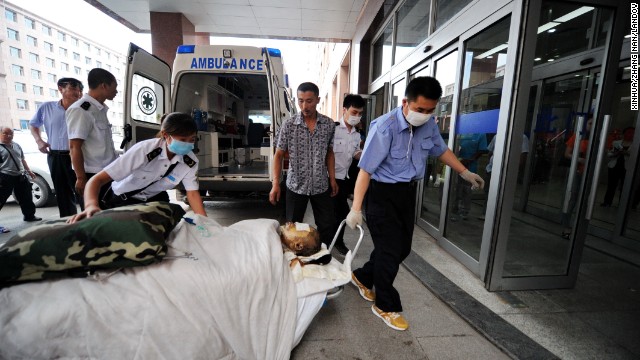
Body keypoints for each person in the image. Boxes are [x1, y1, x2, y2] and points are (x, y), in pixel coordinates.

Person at [345, 77, 484, 331]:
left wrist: (464, 172)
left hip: (407, 194)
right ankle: (386, 305)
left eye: (431, 111)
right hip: (382, 195)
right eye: (420, 110)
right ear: (406, 102)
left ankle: (363, 276)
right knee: (388, 251)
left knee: (402, 249)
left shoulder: (429, 125)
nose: (425, 115)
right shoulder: (384, 128)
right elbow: (365, 171)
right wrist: (356, 209)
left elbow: (441, 150)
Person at [68, 112, 206, 223]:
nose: (188, 144)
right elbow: (97, 180)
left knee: (174, 222)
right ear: (166, 135)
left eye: (192, 140)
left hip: (153, 199)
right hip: (123, 200)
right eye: (182, 140)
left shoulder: (190, 161)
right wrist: (91, 205)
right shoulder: (145, 150)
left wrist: (205, 222)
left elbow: (192, 193)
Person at [269, 82, 338, 248]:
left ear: (317, 100)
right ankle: (294, 262)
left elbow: (329, 153)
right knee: (292, 229)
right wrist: (275, 184)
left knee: (327, 226)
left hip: (320, 185)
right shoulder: (289, 125)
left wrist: (333, 179)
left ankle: (323, 257)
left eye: (309, 101)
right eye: (301, 101)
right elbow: (278, 155)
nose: (304, 106)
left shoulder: (328, 125)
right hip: (295, 185)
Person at [29, 77, 84, 217]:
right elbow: (33, 124)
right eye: (73, 88)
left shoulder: (83, 109)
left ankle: (89, 222)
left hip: (77, 155)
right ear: (60, 89)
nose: (77, 93)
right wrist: (39, 141)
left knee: (82, 190)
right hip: (55, 156)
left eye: (79, 90)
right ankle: (68, 224)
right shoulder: (47, 107)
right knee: (62, 193)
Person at [67, 68, 119, 209]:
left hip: (106, 172)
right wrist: (81, 178)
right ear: (104, 85)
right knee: (94, 215)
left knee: (108, 214)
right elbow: (74, 146)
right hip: (91, 175)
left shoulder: (99, 109)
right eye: (115, 86)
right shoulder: (81, 110)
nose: (116, 91)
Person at [331, 94, 366, 256]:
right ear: (344, 109)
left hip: (344, 179)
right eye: (354, 112)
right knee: (337, 212)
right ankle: (334, 242)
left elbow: (355, 153)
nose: (357, 116)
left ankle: (334, 241)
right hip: (330, 178)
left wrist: (367, 157)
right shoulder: (334, 128)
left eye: (360, 113)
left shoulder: (356, 133)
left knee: (338, 213)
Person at [0, 127, 43, 229]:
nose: (9, 136)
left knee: (26, 197)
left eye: (11, 133)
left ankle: (29, 216)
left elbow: (22, 160)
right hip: (5, 176)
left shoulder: (16, 145)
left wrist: (29, 171)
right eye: (6, 133)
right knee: (1, 199)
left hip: (20, 175)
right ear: (0, 133)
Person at [561, 116, 592, 239]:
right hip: (577, 171)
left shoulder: (599, 139)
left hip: (590, 174)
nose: (591, 126)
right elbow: (567, 154)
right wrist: (580, 159)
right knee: (572, 198)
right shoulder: (578, 136)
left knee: (585, 200)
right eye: (590, 123)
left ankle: (579, 226)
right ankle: (566, 226)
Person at [451, 133, 487, 221]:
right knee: (456, 188)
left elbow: (482, 150)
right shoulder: (462, 131)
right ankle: (454, 210)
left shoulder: (481, 134)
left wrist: (469, 160)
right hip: (456, 163)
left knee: (467, 189)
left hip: (470, 166)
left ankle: (464, 211)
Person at [601, 127, 634, 207]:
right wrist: (616, 153)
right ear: (624, 133)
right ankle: (607, 202)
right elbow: (609, 154)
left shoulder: (635, 145)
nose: (630, 134)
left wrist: (626, 153)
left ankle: (622, 204)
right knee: (611, 185)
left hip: (627, 168)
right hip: (614, 166)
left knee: (624, 187)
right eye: (628, 132)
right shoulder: (616, 142)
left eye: (632, 133)